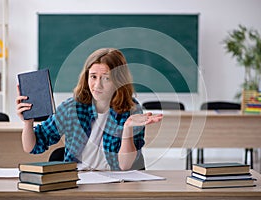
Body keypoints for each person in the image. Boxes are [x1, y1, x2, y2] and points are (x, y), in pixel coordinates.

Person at [16, 48, 163, 171]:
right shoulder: (71, 108)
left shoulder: (131, 109)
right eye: (93, 77)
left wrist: (128, 128)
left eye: (106, 78)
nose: (97, 85)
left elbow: (124, 166)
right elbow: (32, 146)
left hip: (116, 183)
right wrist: (28, 122)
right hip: (77, 181)